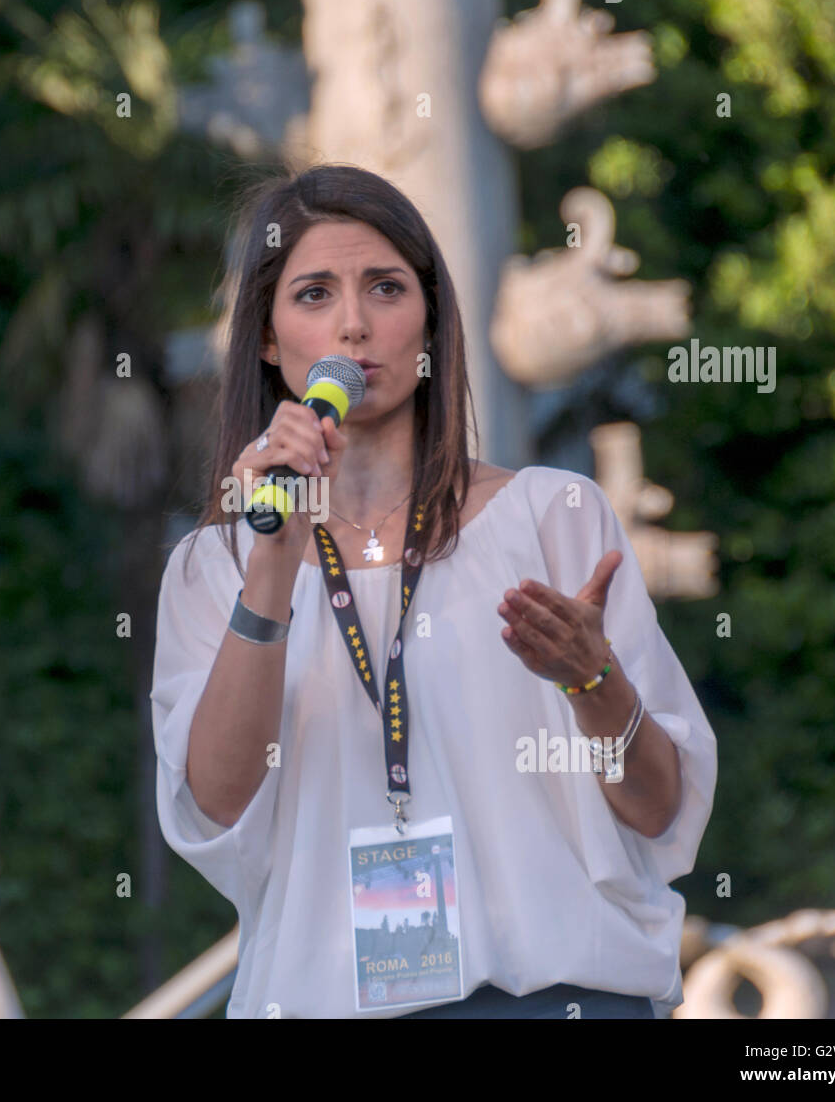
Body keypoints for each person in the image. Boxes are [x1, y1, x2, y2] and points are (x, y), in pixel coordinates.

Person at [151, 164, 716, 1019]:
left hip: (560, 998)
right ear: (267, 339)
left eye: (385, 287)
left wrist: (595, 683)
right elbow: (217, 803)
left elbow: (656, 807)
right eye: (313, 294)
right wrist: (273, 562)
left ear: (429, 323)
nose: (352, 323)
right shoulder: (213, 567)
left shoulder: (551, 517)